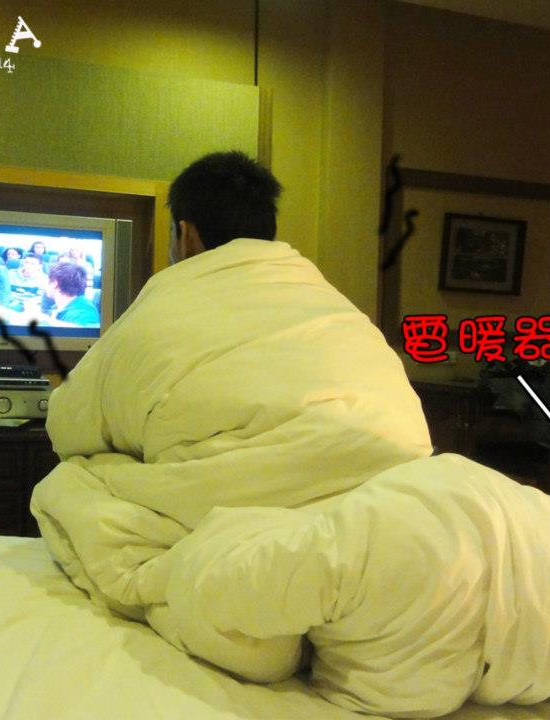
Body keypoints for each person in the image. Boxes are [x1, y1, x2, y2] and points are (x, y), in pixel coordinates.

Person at [30, 150, 433, 647]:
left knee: (70, 478)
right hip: (387, 517)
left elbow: (70, 426)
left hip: (250, 522)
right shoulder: (333, 301)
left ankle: (251, 608)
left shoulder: (166, 301)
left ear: (186, 235)